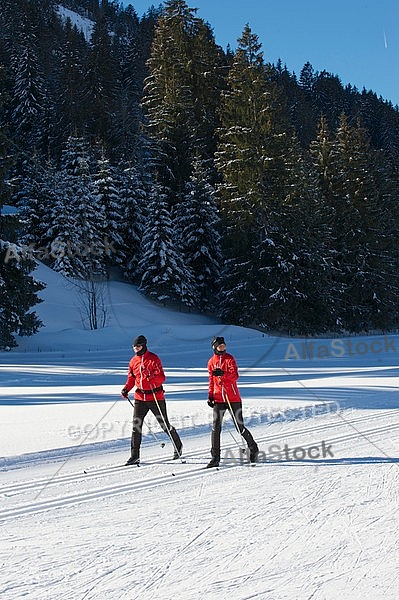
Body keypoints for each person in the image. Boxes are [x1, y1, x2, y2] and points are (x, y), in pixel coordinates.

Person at [121, 335, 183, 466]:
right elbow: (131, 379)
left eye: (138, 346)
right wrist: (126, 389)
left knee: (164, 424)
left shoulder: (153, 358)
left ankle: (178, 445)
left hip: (155, 396)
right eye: (134, 347)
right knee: (136, 426)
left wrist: (151, 378)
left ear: (144, 346)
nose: (136, 349)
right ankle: (134, 456)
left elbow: (161, 378)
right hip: (140, 398)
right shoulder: (133, 361)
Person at [207, 336, 259, 468]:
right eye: (220, 346)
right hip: (219, 399)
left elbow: (235, 376)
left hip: (233, 398)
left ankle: (253, 448)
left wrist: (223, 374)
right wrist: (210, 395)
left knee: (239, 427)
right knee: (215, 428)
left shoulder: (229, 359)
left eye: (224, 346)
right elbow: (211, 381)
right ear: (214, 347)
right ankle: (215, 457)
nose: (222, 348)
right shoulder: (211, 362)